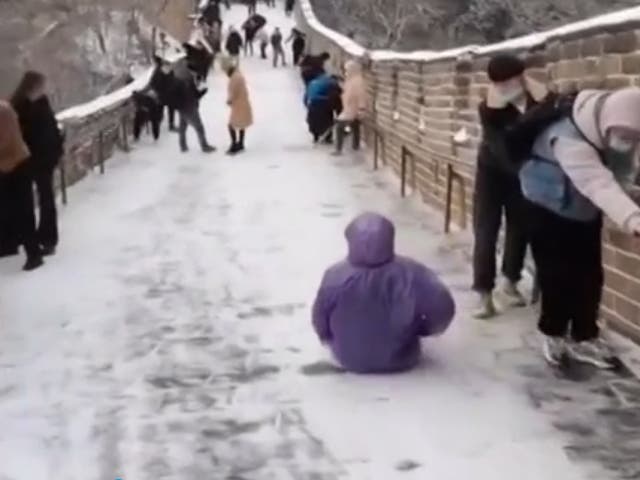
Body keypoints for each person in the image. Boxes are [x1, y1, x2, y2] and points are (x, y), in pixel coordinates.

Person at [518, 88, 640, 368]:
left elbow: (623, 168)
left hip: (583, 207)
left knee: (589, 275)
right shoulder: (567, 137)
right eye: (625, 137)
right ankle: (553, 333)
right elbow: (597, 183)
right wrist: (633, 219)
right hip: (547, 206)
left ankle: (585, 336)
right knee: (557, 275)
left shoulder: (610, 119)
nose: (627, 143)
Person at [312, 212, 455, 374]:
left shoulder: (334, 275)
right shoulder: (412, 273)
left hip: (348, 358)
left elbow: (320, 316)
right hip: (402, 358)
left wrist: (328, 337)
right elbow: (443, 307)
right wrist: (425, 329)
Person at [472, 54, 549, 318]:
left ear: (521, 77)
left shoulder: (538, 98)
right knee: (486, 228)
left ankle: (510, 281)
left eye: (511, 80)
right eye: (500, 83)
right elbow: (502, 149)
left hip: (524, 170)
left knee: (520, 225)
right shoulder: (489, 109)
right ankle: (483, 294)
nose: (506, 87)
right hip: (493, 171)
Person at [10, 71, 64, 257]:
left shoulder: (42, 103)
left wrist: (58, 147)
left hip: (45, 159)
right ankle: (21, 238)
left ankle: (47, 239)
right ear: (32, 86)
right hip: (27, 160)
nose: (45, 88)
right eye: (42, 85)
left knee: (46, 199)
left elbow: (51, 127)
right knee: (22, 202)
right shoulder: (19, 107)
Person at [0, 101, 44, 271]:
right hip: (12, 164)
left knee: (23, 210)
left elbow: (5, 141)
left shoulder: (2, 112)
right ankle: (9, 245)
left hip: (17, 165)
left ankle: (34, 254)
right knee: (9, 209)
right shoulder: (5, 107)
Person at [170, 60, 215, 153]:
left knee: (183, 126)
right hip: (189, 107)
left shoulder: (179, 77)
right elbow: (193, 95)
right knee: (199, 127)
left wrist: (201, 92)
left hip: (182, 107)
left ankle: (183, 146)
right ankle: (204, 146)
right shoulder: (187, 81)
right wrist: (202, 92)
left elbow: (193, 94)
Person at [220, 56, 253, 155]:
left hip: (238, 105)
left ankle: (234, 145)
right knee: (242, 124)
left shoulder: (234, 78)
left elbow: (233, 93)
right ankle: (241, 143)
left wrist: (229, 101)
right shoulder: (238, 75)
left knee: (231, 125)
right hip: (243, 103)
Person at [333, 60, 367, 156]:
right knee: (355, 126)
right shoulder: (351, 80)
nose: (345, 71)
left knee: (340, 127)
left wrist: (361, 109)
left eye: (347, 69)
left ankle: (339, 148)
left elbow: (361, 95)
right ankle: (355, 145)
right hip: (349, 108)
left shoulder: (358, 81)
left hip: (352, 109)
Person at [305, 72, 341, 143]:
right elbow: (338, 94)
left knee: (314, 120)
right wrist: (338, 111)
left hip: (312, 103)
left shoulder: (313, 82)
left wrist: (308, 105)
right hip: (324, 102)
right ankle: (328, 138)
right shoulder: (332, 82)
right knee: (328, 119)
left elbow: (306, 96)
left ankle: (315, 136)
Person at [148, 56, 177, 131]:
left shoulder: (157, 70)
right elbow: (172, 79)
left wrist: (156, 90)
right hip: (168, 92)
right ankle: (170, 125)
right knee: (170, 109)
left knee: (161, 109)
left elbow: (152, 82)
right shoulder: (165, 68)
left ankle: (158, 124)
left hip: (162, 93)